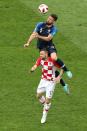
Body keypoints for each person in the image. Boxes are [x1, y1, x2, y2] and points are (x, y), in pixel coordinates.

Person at [24, 14, 72, 90]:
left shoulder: (54, 29)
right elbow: (33, 34)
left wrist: (38, 36)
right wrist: (28, 43)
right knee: (51, 68)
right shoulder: (40, 24)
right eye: (48, 18)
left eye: (50, 19)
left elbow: (48, 39)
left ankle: (67, 70)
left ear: (53, 21)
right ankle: (64, 85)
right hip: (42, 48)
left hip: (49, 46)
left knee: (54, 58)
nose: (48, 20)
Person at [30, 49, 64, 124]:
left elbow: (62, 68)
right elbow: (36, 65)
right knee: (38, 96)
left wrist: (59, 77)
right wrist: (33, 68)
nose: (40, 55)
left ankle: (44, 114)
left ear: (46, 54)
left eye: (42, 54)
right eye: (40, 54)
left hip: (51, 82)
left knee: (48, 100)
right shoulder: (40, 59)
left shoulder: (53, 61)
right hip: (43, 81)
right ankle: (45, 105)